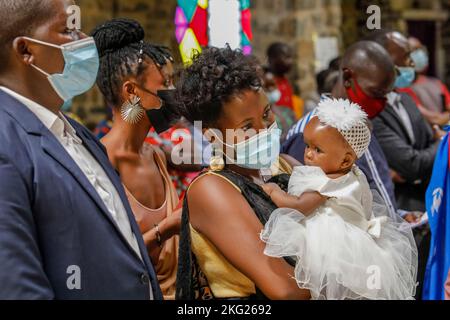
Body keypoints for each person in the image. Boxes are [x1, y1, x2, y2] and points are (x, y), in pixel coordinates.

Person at [0, 0, 160, 299]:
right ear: (25, 50)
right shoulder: (6, 142)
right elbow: (17, 286)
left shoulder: (79, 133)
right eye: (69, 30)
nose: (86, 40)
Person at [175, 46, 311, 300]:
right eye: (247, 127)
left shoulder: (285, 165)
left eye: (266, 114)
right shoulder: (212, 189)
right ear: (212, 135)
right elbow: (285, 290)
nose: (265, 130)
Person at [261, 99, 417, 300]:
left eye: (317, 150)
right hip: (359, 243)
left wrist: (274, 192)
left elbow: (299, 207)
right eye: (307, 145)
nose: (308, 154)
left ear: (345, 159)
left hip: (332, 243)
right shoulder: (354, 174)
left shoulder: (327, 181)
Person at [92, 18, 181, 299]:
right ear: (131, 92)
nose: (172, 92)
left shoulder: (155, 155)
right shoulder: (102, 161)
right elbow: (105, 262)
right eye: (165, 83)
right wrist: (167, 227)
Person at [366, 30, 445, 212]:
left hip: (428, 195)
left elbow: (429, 137)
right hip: (400, 205)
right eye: (406, 55)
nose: (411, 63)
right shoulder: (372, 111)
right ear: (383, 61)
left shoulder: (406, 98)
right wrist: (443, 143)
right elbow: (412, 165)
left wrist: (436, 142)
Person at [397, 37, 450, 126]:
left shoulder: (436, 83)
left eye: (420, 49)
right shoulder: (400, 88)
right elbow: (433, 119)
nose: (419, 54)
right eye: (414, 50)